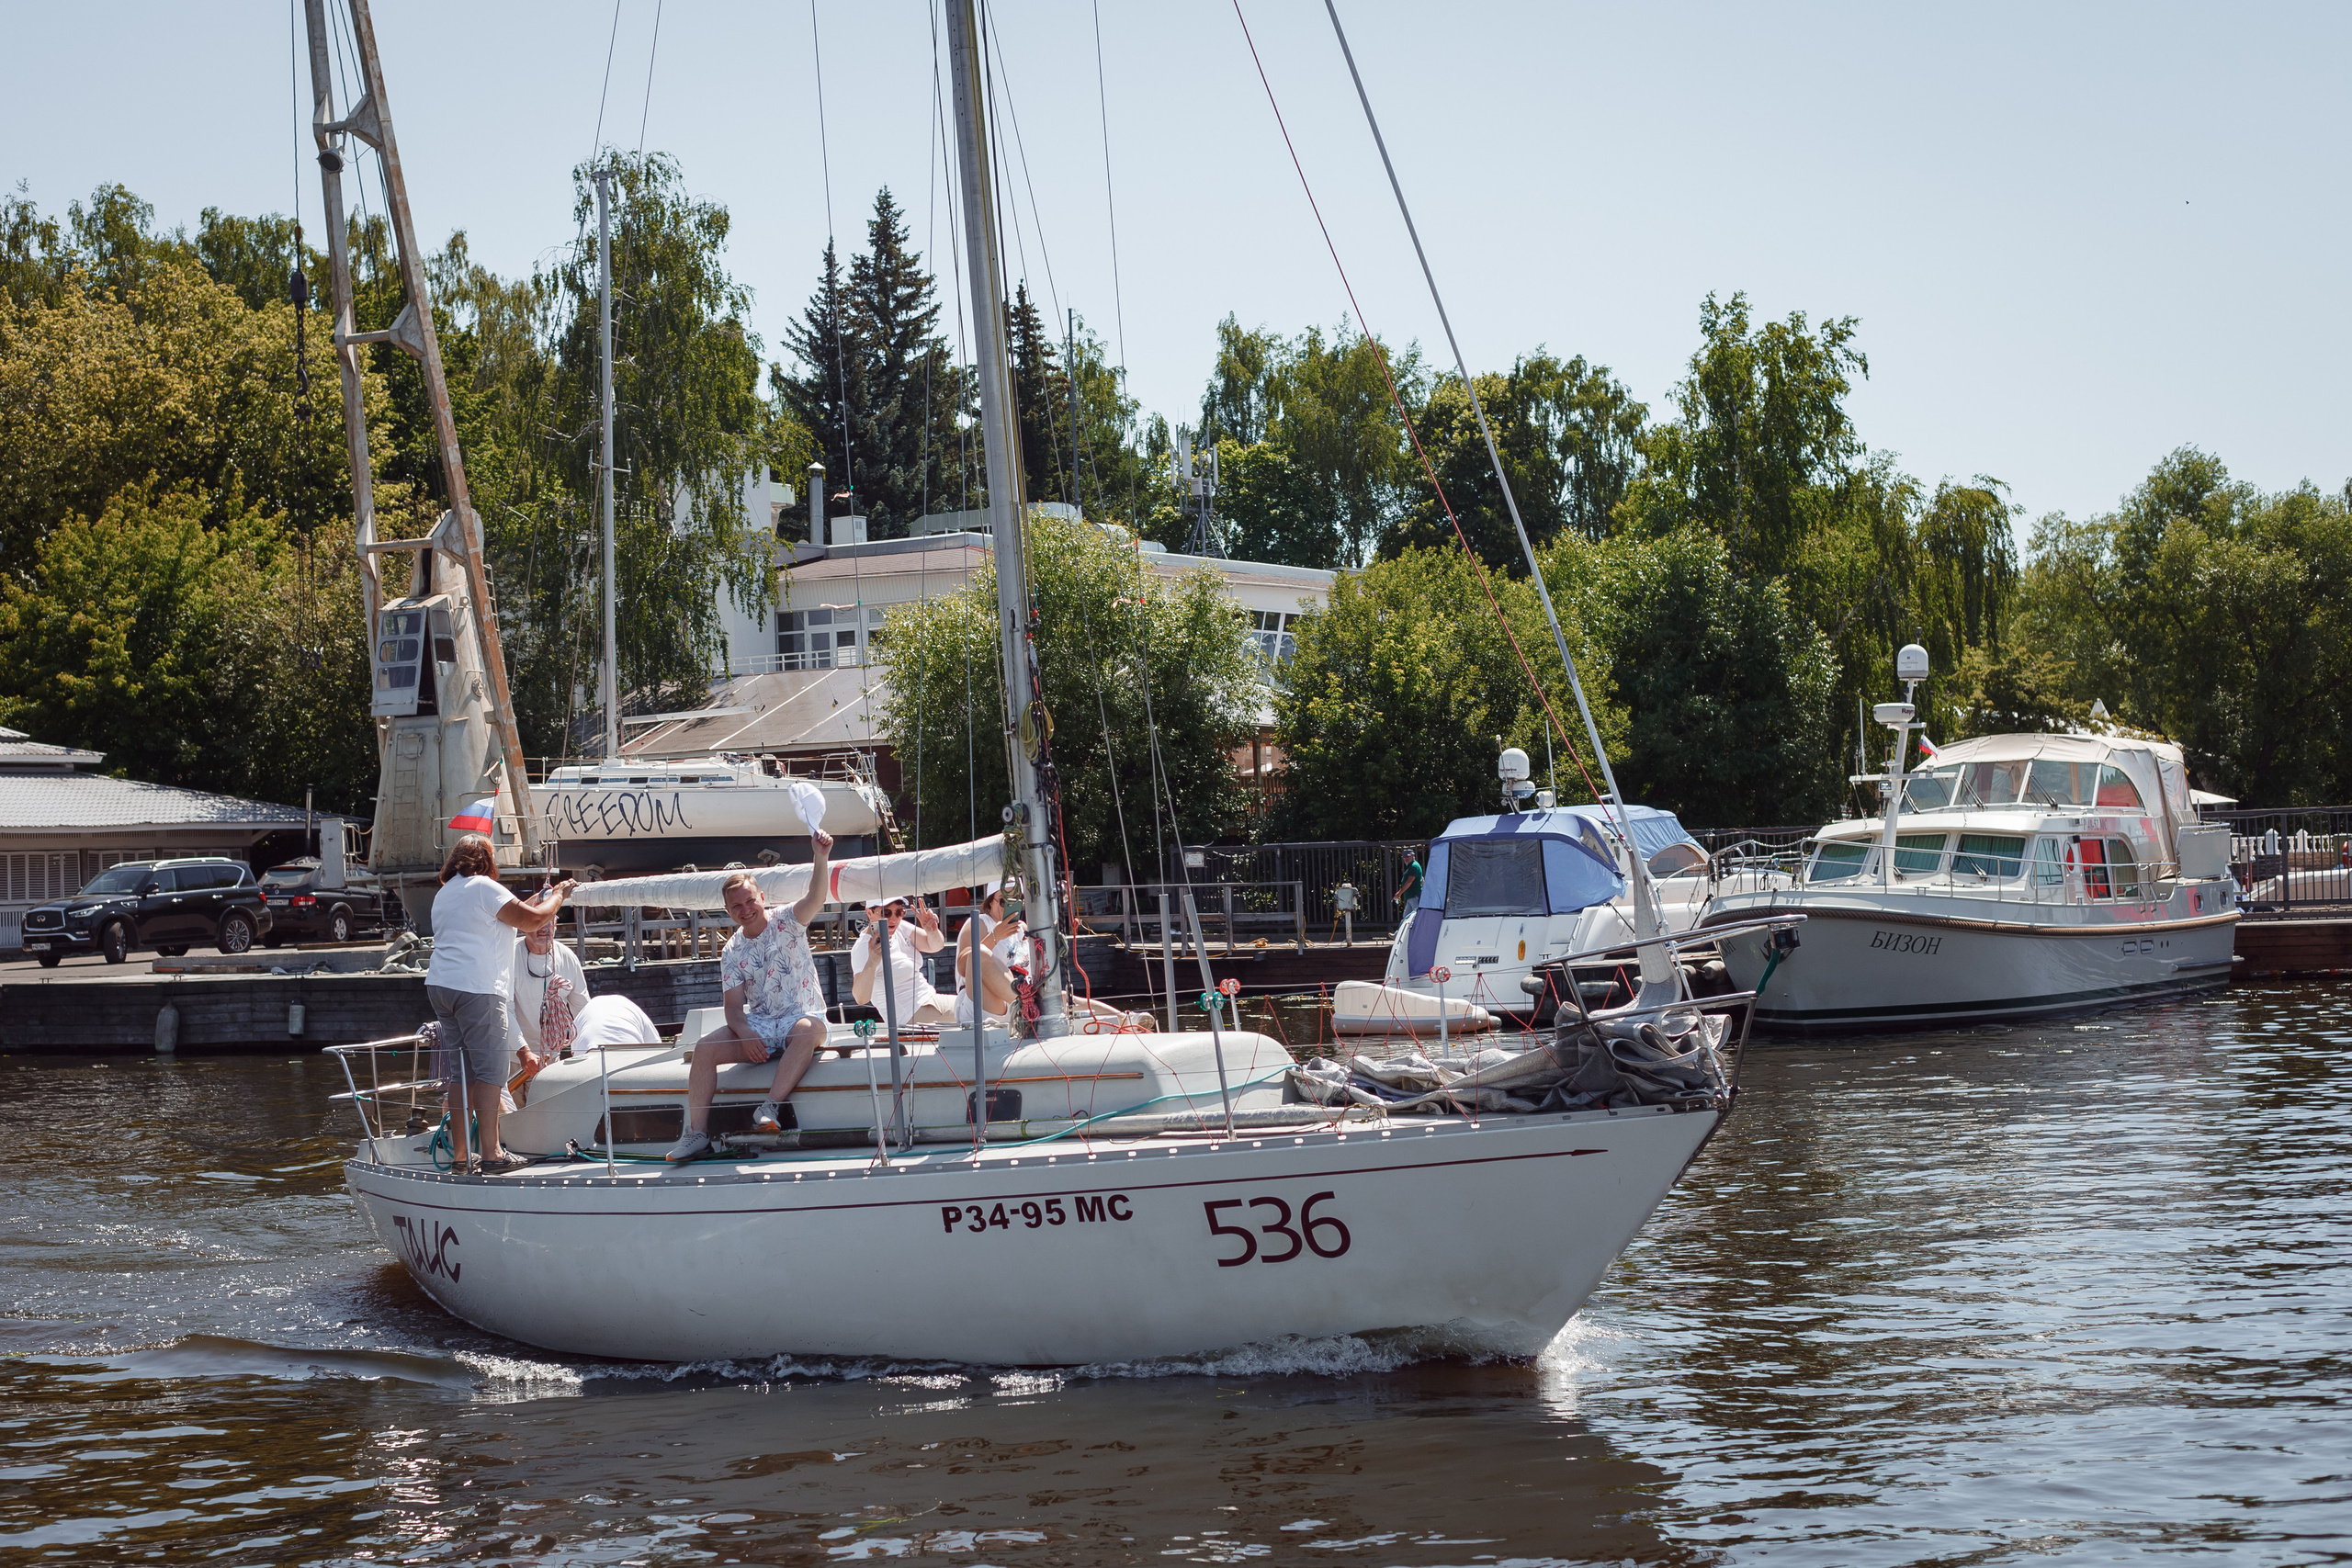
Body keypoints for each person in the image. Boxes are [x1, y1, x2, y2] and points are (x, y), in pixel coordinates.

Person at [667, 830, 833, 1162]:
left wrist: (820, 856)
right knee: (703, 1048)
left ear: (761, 898)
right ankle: (696, 1134)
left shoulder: (788, 920)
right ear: (729, 911)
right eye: (737, 906)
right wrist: (744, 1034)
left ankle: (769, 1108)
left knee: (806, 1029)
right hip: (761, 1022)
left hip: (802, 1014)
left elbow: (816, 896)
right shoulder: (732, 950)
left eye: (750, 901)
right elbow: (732, 1009)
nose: (745, 909)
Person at [424, 835, 576, 1176]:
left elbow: (508, 911)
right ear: (486, 859)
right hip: (477, 989)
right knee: (490, 1072)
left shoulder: (446, 892)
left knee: (462, 1073)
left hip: (441, 986)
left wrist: (541, 898)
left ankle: (461, 1157)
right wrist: (560, 897)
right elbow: (534, 920)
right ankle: (492, 1154)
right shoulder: (484, 887)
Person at [851, 897, 952, 1027]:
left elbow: (935, 946)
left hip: (928, 999)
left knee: (978, 1005)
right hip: (909, 1015)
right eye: (886, 913)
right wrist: (872, 961)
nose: (893, 918)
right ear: (869, 913)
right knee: (976, 1010)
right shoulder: (863, 947)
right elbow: (861, 998)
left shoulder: (899, 927)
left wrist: (932, 931)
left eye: (899, 912)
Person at [507, 912, 590, 1067]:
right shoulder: (508, 956)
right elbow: (504, 1009)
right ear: (523, 928)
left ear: (556, 925)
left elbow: (583, 1009)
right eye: (536, 922)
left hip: (550, 1057)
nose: (544, 927)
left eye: (548, 921)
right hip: (511, 1056)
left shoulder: (567, 957)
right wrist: (523, 1052)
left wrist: (585, 1049)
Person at [1397, 852, 1425, 920]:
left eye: (1407, 857)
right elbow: (1422, 879)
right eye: (1404, 857)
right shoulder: (1411, 866)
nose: (1405, 859)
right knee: (1406, 918)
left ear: (1413, 856)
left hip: (1414, 895)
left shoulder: (1413, 866)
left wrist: (1399, 893)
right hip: (1411, 896)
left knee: (1416, 916)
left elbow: (1409, 881)